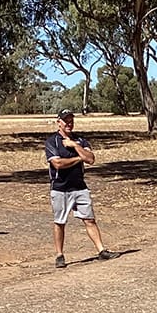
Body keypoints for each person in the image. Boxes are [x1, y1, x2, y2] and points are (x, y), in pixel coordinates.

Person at [45, 109, 112, 268]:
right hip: (60, 188)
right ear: (58, 122)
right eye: (65, 121)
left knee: (89, 219)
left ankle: (101, 250)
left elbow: (90, 159)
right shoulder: (52, 142)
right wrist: (79, 158)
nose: (69, 124)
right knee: (60, 222)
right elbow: (58, 164)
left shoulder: (80, 140)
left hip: (80, 186)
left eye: (71, 120)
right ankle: (59, 255)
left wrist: (75, 145)